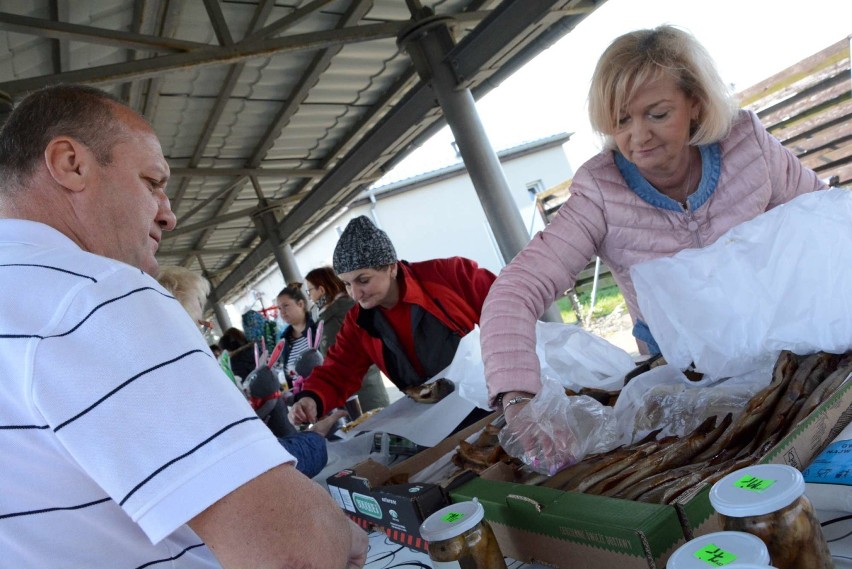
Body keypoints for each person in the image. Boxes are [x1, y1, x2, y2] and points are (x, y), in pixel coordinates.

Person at [0, 84, 366, 568]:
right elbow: (295, 553)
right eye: (152, 182)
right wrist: (343, 535)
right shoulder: (96, 294)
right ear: (71, 163)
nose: (169, 215)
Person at [480, 25, 827, 472]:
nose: (638, 137)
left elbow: (824, 218)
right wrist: (517, 398)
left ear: (695, 103)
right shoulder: (600, 192)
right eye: (621, 120)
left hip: (781, 348)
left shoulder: (748, 145)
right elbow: (516, 289)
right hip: (683, 373)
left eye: (657, 114)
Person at [291, 215, 497, 425]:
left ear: (391, 267)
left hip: (494, 399)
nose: (355, 294)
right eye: (346, 284)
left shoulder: (450, 276)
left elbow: (511, 309)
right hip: (437, 422)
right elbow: (339, 369)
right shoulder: (358, 321)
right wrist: (312, 397)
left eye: (363, 280)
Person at [156, 266, 341, 478]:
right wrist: (314, 439)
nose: (204, 336)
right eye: (202, 325)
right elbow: (259, 464)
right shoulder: (192, 385)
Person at [305, 266, 390, 412]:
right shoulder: (327, 314)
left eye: (309, 291)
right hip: (349, 391)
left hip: (364, 392)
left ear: (321, 290)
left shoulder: (345, 311)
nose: (309, 297)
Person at [275, 282, 319, 387]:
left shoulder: (317, 328)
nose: (282, 312)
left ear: (300, 304)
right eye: (279, 308)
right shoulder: (284, 340)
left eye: (286, 306)